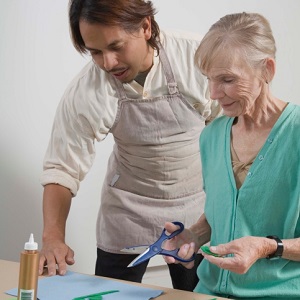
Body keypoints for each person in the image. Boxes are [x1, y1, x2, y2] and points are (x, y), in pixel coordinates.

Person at [38, 0, 221, 291]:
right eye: (95, 52)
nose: (107, 63)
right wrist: (52, 238)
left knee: (196, 295)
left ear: (145, 26)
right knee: (111, 295)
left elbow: (230, 135)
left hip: (195, 209)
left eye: (116, 46)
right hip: (127, 211)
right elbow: (63, 168)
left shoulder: (198, 60)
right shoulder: (87, 89)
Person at [164, 12, 300, 299]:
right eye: (209, 80)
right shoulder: (211, 137)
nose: (213, 93)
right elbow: (220, 217)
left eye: (226, 80)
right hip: (207, 292)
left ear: (267, 70)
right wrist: (192, 237)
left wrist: (268, 247)